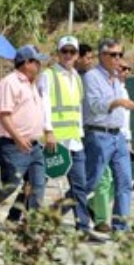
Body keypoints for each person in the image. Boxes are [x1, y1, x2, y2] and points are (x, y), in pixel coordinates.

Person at [0, 46, 50, 222]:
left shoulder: (32, 84)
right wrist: (18, 138)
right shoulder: (9, 83)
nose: (39, 65)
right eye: (36, 61)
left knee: (37, 185)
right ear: (26, 63)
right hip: (14, 145)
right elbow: (4, 115)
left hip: (34, 145)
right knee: (7, 186)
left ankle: (32, 225)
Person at [37, 35, 100, 239]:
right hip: (54, 140)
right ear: (58, 53)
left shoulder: (77, 79)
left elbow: (77, 109)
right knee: (38, 182)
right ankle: (20, 218)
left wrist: (80, 133)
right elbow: (44, 105)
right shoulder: (49, 75)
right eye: (64, 51)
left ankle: (83, 227)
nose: (68, 55)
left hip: (74, 140)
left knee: (79, 186)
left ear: (77, 55)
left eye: (72, 52)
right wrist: (48, 132)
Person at [83, 38, 134, 232]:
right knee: (91, 182)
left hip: (118, 137)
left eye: (120, 55)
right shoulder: (92, 77)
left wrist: (127, 138)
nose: (118, 59)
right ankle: (59, 214)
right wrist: (118, 102)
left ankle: (120, 227)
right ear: (102, 56)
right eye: (113, 55)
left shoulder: (116, 79)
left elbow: (121, 116)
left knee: (124, 183)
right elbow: (96, 106)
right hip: (99, 136)